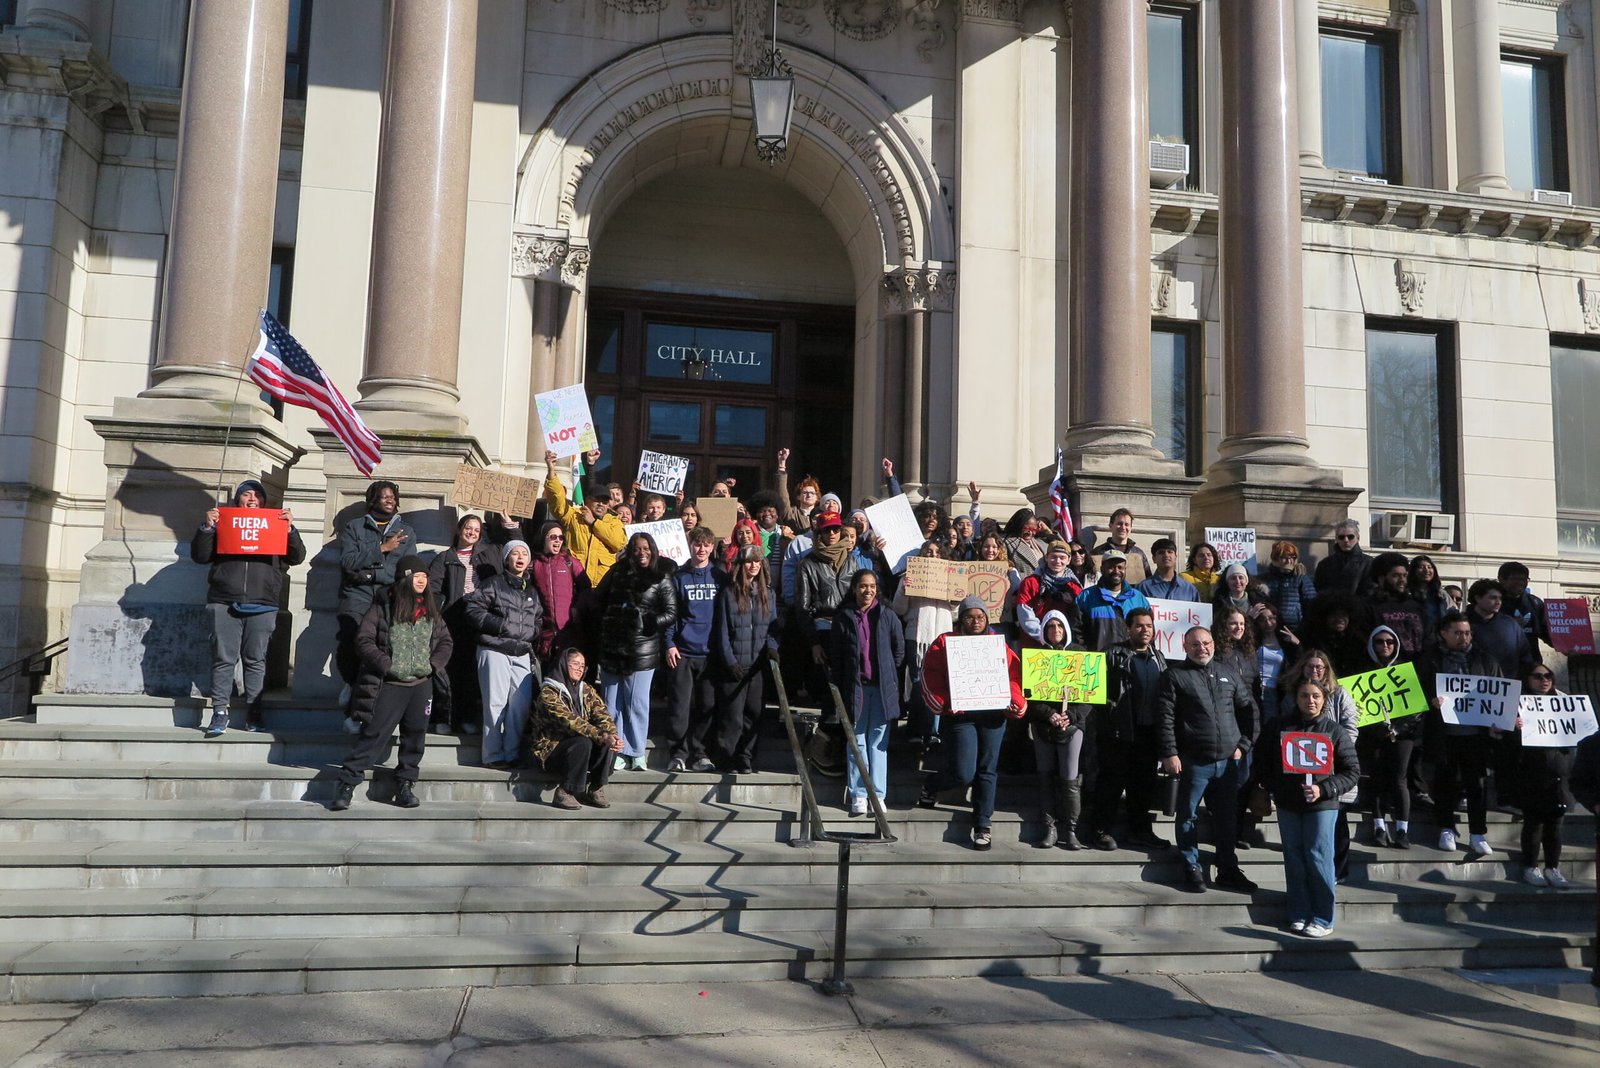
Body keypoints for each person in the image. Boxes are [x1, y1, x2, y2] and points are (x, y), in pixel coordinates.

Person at [332, 555, 450, 811]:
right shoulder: (383, 605)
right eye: (416, 575)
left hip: (421, 684)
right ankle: (347, 784)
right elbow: (364, 640)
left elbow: (445, 642)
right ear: (405, 578)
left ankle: (405, 784)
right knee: (374, 734)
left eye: (424, 576)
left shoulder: (431, 608)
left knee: (415, 737)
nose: (422, 580)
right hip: (390, 684)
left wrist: (432, 666)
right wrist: (386, 664)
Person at [190, 478, 306, 735]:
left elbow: (297, 557)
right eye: (246, 494)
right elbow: (200, 556)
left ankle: (254, 710)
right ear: (238, 500)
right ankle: (220, 711)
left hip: (262, 603)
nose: (252, 498)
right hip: (224, 601)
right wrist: (207, 528)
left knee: (255, 660)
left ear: (264, 501)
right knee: (224, 659)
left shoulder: (275, 525)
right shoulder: (223, 523)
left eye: (257, 495)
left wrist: (290, 530)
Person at [918, 597, 1026, 850]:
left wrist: (1016, 701)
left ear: (987, 619)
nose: (975, 622)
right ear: (961, 619)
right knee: (963, 772)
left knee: (987, 769)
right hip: (960, 715)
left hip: (993, 715)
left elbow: (1013, 675)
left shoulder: (998, 645)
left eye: (980, 617)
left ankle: (982, 824)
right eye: (969, 617)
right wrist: (943, 703)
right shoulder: (945, 642)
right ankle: (932, 784)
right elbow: (930, 675)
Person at [1158, 626, 1259, 894]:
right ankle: (1192, 866)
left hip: (1227, 762)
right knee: (1188, 816)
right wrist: (1169, 752)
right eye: (1195, 644)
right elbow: (1165, 717)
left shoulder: (1228, 673)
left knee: (1227, 818)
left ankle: (1228, 868)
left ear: (1213, 644)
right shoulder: (1174, 676)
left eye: (1206, 643)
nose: (1202, 648)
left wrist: (1244, 745)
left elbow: (1248, 711)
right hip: (1193, 761)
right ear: (1185, 646)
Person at [1259, 678, 1359, 937]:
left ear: (1324, 700)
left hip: (1323, 805)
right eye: (1304, 695)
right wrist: (1276, 787)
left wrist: (1323, 789)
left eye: (1315, 696)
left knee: (1318, 855)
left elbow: (1352, 771)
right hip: (1288, 804)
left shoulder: (1335, 731)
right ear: (1296, 698)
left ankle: (1324, 918)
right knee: (1293, 855)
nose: (1310, 700)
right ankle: (1299, 912)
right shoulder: (1279, 726)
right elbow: (1262, 760)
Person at [1418, 611, 1504, 856]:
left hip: (1476, 736)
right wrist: (1430, 702)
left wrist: (1498, 721)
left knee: (1476, 785)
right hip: (1443, 733)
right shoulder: (1430, 660)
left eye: (1467, 633)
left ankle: (1478, 833)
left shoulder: (1485, 660)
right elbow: (1418, 693)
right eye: (1457, 633)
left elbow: (1498, 694)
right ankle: (1446, 827)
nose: (1463, 637)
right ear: (1443, 634)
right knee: (1444, 783)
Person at [594, 531, 678, 771]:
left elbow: (671, 612)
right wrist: (609, 621)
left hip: (642, 650)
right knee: (612, 703)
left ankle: (636, 750)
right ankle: (616, 750)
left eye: (646, 548)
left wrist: (648, 621)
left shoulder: (661, 577)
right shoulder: (617, 572)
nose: (642, 553)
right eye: (637, 549)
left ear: (653, 550)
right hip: (612, 648)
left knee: (636, 702)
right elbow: (599, 598)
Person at [1090, 606, 1168, 850]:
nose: (1144, 630)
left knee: (1143, 786)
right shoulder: (1112, 654)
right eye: (1139, 626)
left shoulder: (1159, 657)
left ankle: (1140, 830)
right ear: (1129, 628)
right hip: (1118, 733)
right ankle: (1100, 830)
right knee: (1111, 785)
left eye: (1148, 626)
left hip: (1148, 733)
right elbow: (1096, 692)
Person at [1275, 649, 1358, 880]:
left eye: (1319, 667)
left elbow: (1351, 724)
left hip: (1334, 767)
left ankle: (1338, 872)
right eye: (1310, 666)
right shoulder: (1293, 695)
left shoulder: (1340, 693)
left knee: (1338, 824)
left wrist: (1337, 748)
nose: (1315, 670)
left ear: (1326, 670)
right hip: (1298, 770)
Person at [829, 568, 906, 815]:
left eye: (872, 586)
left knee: (878, 744)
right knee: (857, 742)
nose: (868, 590)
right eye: (863, 586)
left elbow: (899, 650)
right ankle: (859, 794)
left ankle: (878, 795)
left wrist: (888, 674)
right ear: (854, 588)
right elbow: (837, 655)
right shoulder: (844, 617)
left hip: (882, 689)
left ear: (878, 589)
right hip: (856, 689)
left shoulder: (887, 615)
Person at [463, 539, 543, 769]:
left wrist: (532, 632)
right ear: (506, 559)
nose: (520, 557)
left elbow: (538, 618)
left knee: (520, 705)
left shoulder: (532, 591)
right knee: (495, 703)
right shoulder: (494, 584)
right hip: (494, 649)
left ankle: (512, 752)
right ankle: (493, 754)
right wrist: (500, 625)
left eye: (524, 554)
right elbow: (473, 609)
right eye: (515, 553)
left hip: (521, 652)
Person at [336, 480, 415, 702]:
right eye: (385, 496)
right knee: (350, 640)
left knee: (384, 644)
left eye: (393, 497)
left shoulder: (406, 532)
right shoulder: (355, 527)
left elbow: (407, 568)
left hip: (389, 596)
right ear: (373, 500)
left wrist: (370, 574)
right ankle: (351, 683)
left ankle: (376, 692)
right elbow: (348, 562)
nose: (390, 500)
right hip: (357, 595)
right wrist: (382, 548)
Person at [425, 514, 500, 735]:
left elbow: (517, 548)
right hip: (453, 620)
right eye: (468, 528)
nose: (472, 533)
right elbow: (433, 590)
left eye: (477, 530)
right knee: (447, 670)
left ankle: (468, 717)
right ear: (459, 530)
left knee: (472, 672)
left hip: (479, 619)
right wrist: (439, 610)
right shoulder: (445, 558)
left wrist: (510, 525)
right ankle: (444, 717)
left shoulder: (489, 553)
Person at [1025, 610, 1094, 849]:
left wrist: (1070, 716)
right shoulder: (1037, 657)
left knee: (1069, 778)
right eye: (1051, 626)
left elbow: (1089, 695)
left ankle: (1071, 829)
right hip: (1043, 725)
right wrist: (1049, 714)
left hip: (1072, 725)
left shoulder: (1080, 655)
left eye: (1060, 626)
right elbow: (1030, 696)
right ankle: (1049, 827)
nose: (1055, 631)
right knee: (1045, 776)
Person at [714, 545, 779, 774]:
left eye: (757, 562)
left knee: (753, 714)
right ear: (741, 565)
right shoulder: (728, 593)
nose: (753, 566)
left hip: (757, 667)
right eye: (749, 562)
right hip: (735, 664)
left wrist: (772, 649)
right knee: (732, 716)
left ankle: (746, 757)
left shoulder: (768, 594)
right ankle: (726, 758)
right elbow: (721, 632)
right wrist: (730, 661)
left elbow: (773, 629)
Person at [530, 647, 621, 810]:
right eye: (575, 664)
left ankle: (595, 788)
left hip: (579, 748)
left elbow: (602, 714)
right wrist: (601, 736)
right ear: (564, 664)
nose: (580, 669)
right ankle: (565, 791)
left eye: (582, 665)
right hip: (552, 750)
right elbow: (571, 721)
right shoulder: (548, 693)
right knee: (584, 741)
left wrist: (612, 735)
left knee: (607, 739)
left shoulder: (585, 689)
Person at [663, 526, 723, 772]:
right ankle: (678, 754)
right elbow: (671, 614)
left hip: (710, 654)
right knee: (679, 706)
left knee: (707, 706)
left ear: (712, 547)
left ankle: (700, 754)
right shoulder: (679, 577)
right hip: (683, 652)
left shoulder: (721, 577)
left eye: (706, 545)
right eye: (697, 544)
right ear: (691, 546)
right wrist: (669, 643)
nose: (701, 549)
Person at [1359, 625, 1421, 849]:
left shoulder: (1405, 670)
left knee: (1399, 779)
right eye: (1379, 641)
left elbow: (1415, 711)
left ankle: (1402, 830)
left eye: (1390, 642)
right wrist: (1378, 730)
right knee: (1377, 778)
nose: (1385, 645)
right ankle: (1379, 827)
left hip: (1403, 736)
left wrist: (1397, 730)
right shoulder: (1363, 671)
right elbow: (1358, 708)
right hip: (1373, 735)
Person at [1513, 664, 1573, 887]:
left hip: (1559, 773)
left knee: (1556, 823)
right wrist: (1514, 727)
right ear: (1527, 679)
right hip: (1532, 772)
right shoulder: (1519, 703)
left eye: (1548, 676)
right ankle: (1530, 866)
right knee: (1534, 822)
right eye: (1537, 676)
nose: (1544, 680)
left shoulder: (1563, 701)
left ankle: (1552, 867)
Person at [892, 540, 955, 750]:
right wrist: (904, 589)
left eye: (937, 551)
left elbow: (956, 613)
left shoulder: (950, 578)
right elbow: (899, 609)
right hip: (917, 636)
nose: (932, 554)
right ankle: (916, 730)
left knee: (941, 683)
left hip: (943, 637)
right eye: (928, 551)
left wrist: (956, 597)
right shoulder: (909, 577)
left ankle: (935, 731)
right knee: (919, 683)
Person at [543, 450, 627, 584]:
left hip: (601, 588)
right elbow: (557, 502)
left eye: (605, 501)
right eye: (597, 500)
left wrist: (594, 523)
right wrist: (551, 471)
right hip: (574, 583)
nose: (601, 504)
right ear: (587, 500)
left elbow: (617, 543)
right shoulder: (573, 517)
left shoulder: (615, 522)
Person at [528, 519, 589, 669]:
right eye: (553, 537)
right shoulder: (534, 564)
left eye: (560, 537)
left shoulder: (569, 561)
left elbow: (586, 588)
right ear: (543, 538)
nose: (558, 541)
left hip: (568, 633)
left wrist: (576, 609)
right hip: (545, 634)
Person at [1075, 550, 1151, 651]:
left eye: (1120, 567)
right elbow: (1076, 633)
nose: (1116, 571)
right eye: (1110, 567)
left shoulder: (1138, 599)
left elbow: (1148, 632)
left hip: (1130, 662)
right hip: (1098, 662)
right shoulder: (1085, 598)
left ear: (1125, 569)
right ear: (1102, 569)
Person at [1015, 539, 1085, 642]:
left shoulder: (1075, 587)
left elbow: (1079, 618)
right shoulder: (1031, 582)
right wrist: (1045, 637)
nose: (1057, 561)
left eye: (1062, 558)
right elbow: (1025, 615)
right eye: (1053, 557)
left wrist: (1065, 638)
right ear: (1046, 558)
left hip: (1066, 645)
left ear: (1068, 560)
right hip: (1035, 644)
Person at [1365, 552, 1427, 657]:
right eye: (1395, 576)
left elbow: (1428, 638)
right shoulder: (1369, 606)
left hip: (1418, 667)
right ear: (1381, 578)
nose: (1402, 580)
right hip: (1387, 669)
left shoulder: (1416, 606)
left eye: (1404, 575)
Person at [1260, 541, 1316, 634]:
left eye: (1293, 558)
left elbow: (1312, 604)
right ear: (1275, 559)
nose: (1289, 561)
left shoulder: (1300, 578)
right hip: (1270, 628)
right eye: (1285, 558)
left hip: (1296, 629)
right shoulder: (1264, 579)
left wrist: (1306, 626)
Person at [1497, 561, 1549, 657]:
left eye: (1524, 579)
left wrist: (1565, 646)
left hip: (1531, 664)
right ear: (1501, 579)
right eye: (1515, 579)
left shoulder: (1535, 603)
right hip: (1500, 664)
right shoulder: (1492, 603)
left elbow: (1546, 632)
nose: (1520, 583)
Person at [1313, 519, 1372, 596]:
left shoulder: (1369, 563)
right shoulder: (1325, 564)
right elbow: (1318, 591)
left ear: (1358, 538)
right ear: (1336, 539)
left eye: (1350, 536)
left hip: (1357, 607)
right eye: (1341, 537)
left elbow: (1370, 592)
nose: (1346, 540)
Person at [1091, 508, 1152, 582]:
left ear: (1131, 528)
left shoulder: (1139, 553)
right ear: (1111, 526)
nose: (1123, 527)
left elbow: (1148, 580)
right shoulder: (1098, 552)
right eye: (1119, 524)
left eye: (1127, 524)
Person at [774, 447, 820, 534]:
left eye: (812, 493)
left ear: (817, 497)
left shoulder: (821, 515)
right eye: (805, 492)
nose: (809, 495)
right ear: (798, 496)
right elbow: (782, 496)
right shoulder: (791, 514)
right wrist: (782, 465)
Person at [1409, 554, 1450, 633]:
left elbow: (1451, 613)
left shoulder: (1441, 594)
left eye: (1429, 567)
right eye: (1421, 567)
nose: (1426, 570)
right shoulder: (1408, 593)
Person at [1002, 508, 1047, 574]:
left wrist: (1048, 531)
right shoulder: (1008, 544)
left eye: (1034, 529)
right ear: (1018, 526)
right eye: (1027, 528)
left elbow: (1065, 550)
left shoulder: (1041, 543)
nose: (1030, 533)